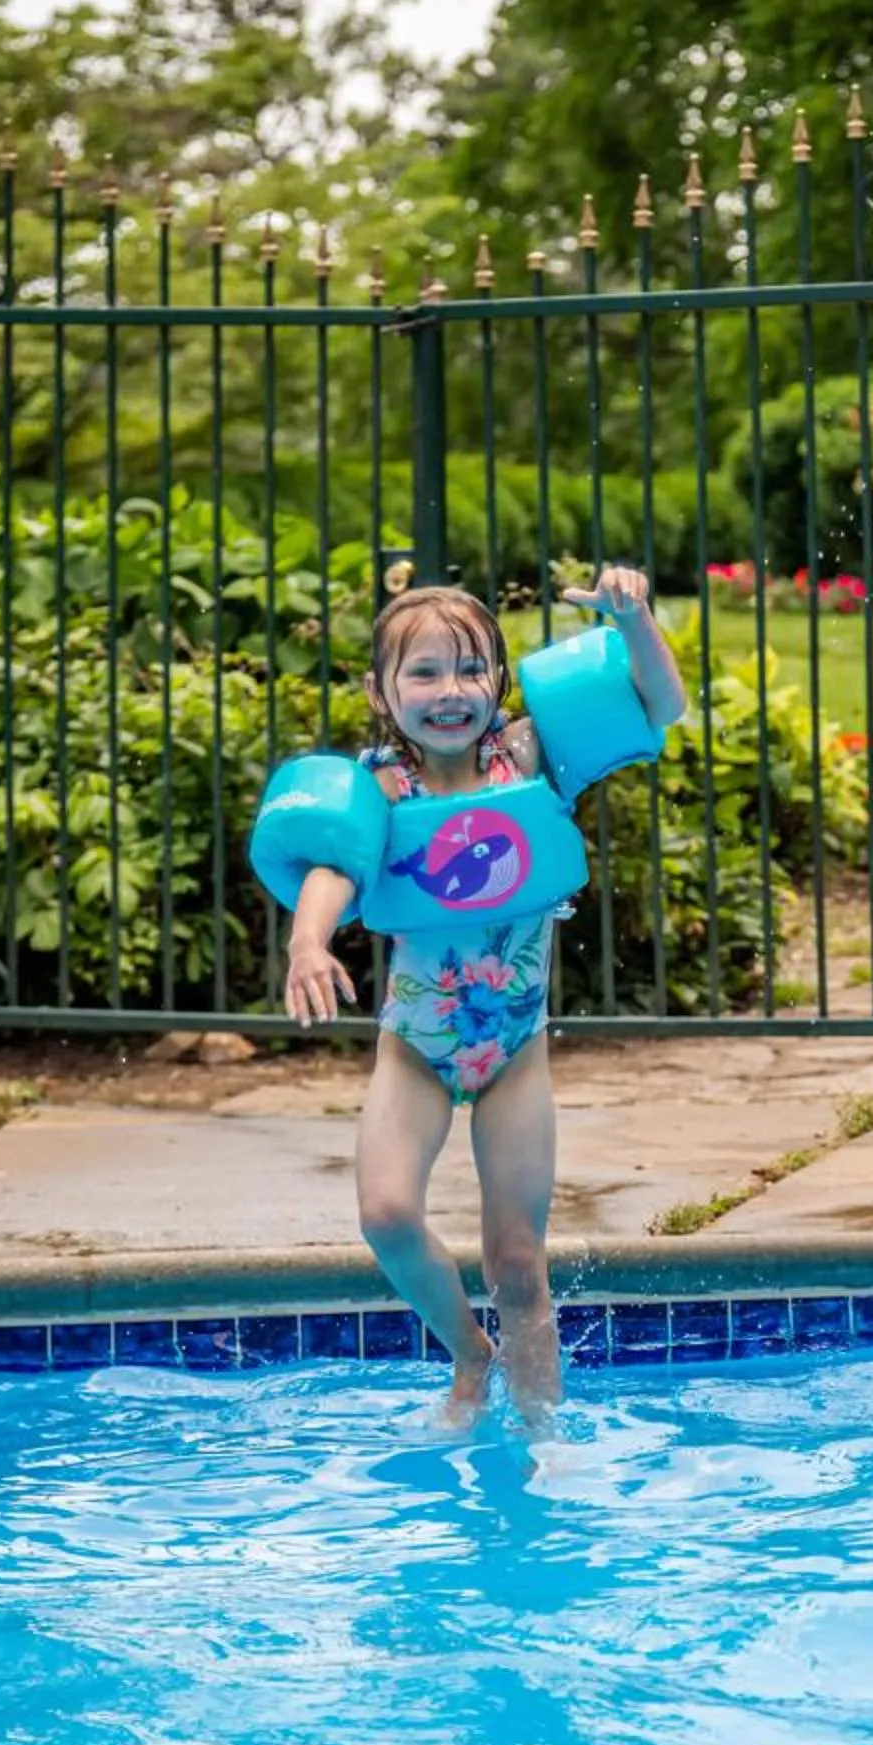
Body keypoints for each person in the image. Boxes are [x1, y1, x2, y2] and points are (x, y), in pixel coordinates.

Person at [282, 571, 687, 1422]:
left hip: (514, 1052)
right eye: (423, 673)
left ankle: (543, 1438)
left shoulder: (530, 758)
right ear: (380, 691)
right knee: (387, 1216)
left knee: (517, 1263)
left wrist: (634, 620)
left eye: (471, 671)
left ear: (499, 683)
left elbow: (660, 708)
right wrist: (308, 940)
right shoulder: (382, 789)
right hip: (417, 1048)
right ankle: (470, 1351)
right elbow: (331, 865)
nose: (450, 692)